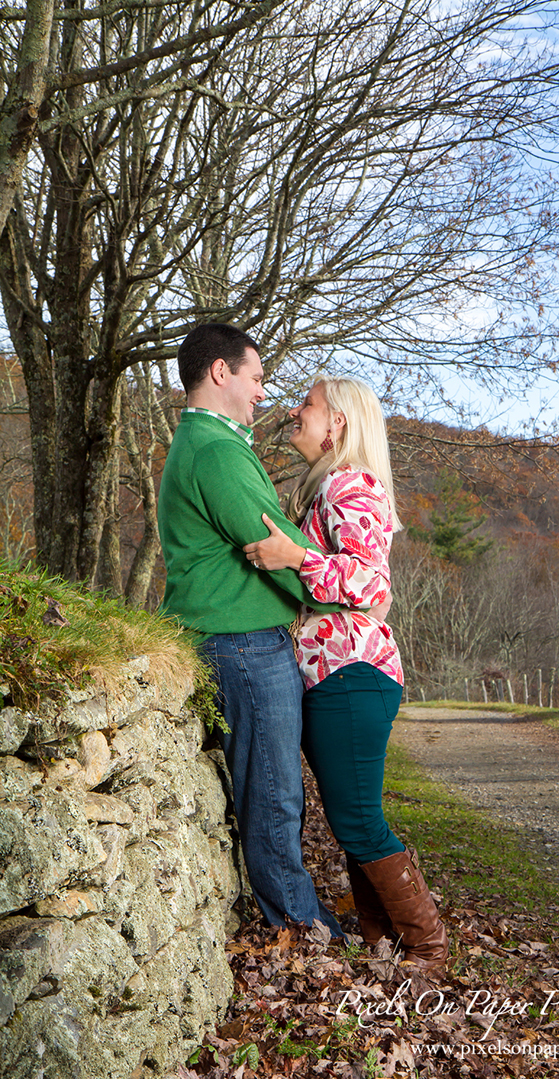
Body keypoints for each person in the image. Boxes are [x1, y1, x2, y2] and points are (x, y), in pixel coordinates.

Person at [242, 377, 449, 969]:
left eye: (307, 404)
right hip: (334, 671)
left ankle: (429, 946)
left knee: (358, 819)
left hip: (352, 672)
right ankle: (383, 938)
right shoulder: (322, 487)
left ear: (338, 424)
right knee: (349, 814)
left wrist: (295, 556)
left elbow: (372, 584)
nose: (294, 411)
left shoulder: (348, 482)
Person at [157, 322, 343, 936]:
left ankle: (293, 914)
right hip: (241, 642)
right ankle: (299, 926)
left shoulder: (213, 444)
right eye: (257, 377)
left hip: (244, 638)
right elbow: (272, 542)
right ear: (221, 372)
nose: (264, 392)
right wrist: (340, 601)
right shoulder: (213, 451)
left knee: (274, 789)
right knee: (274, 793)